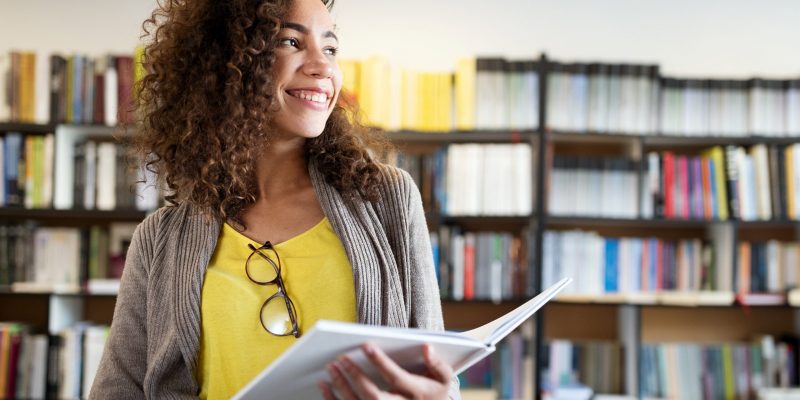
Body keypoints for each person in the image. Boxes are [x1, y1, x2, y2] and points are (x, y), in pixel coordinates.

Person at [89, 0, 461, 399]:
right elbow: (118, 391)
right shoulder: (160, 239)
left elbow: (435, 373)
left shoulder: (387, 198)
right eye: (290, 41)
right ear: (227, 62)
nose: (323, 66)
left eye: (331, 48)